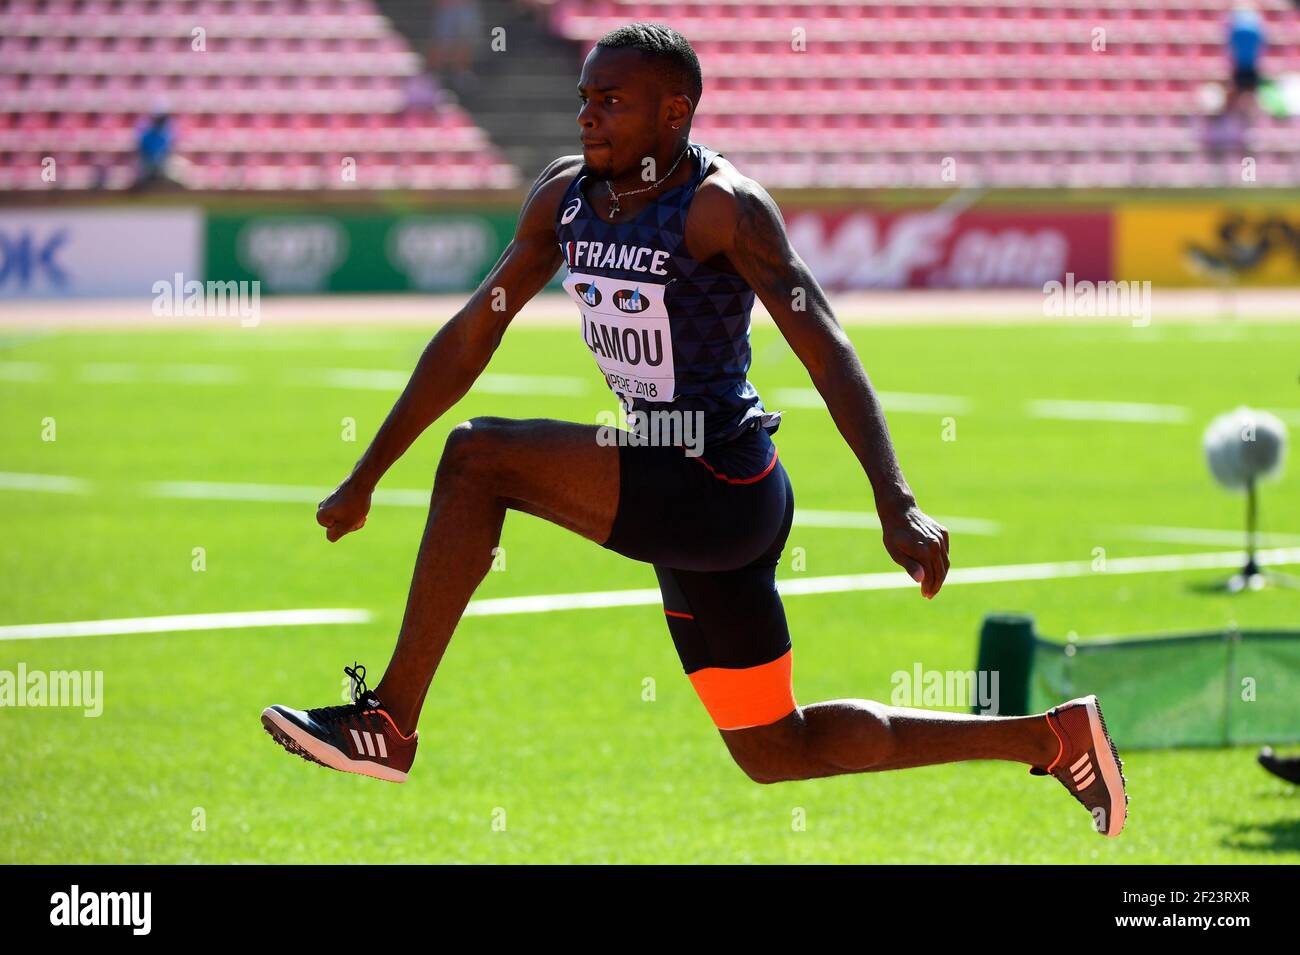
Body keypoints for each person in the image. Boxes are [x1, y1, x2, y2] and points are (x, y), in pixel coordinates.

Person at [261, 23, 1128, 837]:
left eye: (612, 101)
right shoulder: (565, 199)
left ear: (674, 113)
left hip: (722, 482)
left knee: (479, 457)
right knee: (775, 748)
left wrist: (895, 499)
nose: (588, 114)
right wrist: (368, 471)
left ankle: (391, 722)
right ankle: (1049, 739)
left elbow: (825, 346)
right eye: (585, 97)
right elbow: (471, 336)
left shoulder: (724, 208)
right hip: (668, 482)